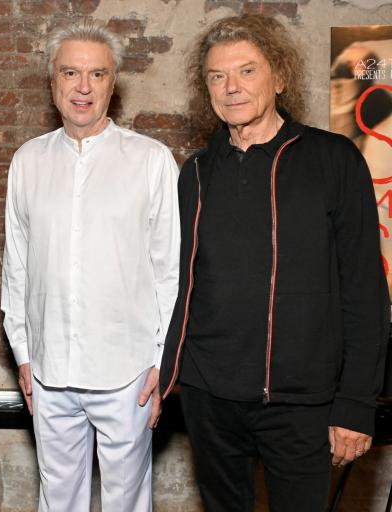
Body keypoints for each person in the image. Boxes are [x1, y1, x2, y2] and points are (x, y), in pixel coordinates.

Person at [159, 14, 390, 512]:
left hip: (302, 402)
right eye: (217, 76)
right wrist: (168, 373)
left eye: (247, 71)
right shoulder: (195, 172)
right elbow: (180, 280)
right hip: (208, 396)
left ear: (279, 77)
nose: (231, 87)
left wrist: (355, 403)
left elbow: (365, 290)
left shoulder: (333, 159)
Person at [1, 23, 180, 512]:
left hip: (128, 371)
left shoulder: (151, 161)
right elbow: (17, 269)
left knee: (127, 501)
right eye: (71, 73)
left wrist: (162, 361)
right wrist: (22, 351)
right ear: (52, 82)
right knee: (57, 499)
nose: (83, 86)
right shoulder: (28, 161)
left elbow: (170, 272)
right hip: (48, 369)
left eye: (96, 74)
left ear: (113, 82)